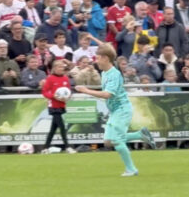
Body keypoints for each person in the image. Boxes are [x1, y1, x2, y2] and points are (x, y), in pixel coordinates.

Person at [76, 44, 156, 176]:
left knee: (117, 141)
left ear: (105, 58)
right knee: (108, 141)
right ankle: (140, 135)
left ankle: (131, 169)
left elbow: (107, 94)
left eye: (98, 58)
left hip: (122, 110)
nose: (96, 61)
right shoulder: (104, 73)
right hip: (115, 111)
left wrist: (86, 91)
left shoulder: (114, 74)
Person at [40, 60, 76, 154]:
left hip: (61, 105)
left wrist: (67, 97)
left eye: (62, 67)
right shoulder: (50, 78)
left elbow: (68, 90)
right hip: (53, 106)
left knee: (53, 128)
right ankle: (68, 147)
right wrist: (53, 96)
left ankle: (45, 148)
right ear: (54, 68)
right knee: (62, 126)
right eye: (59, 67)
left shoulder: (65, 78)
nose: (61, 68)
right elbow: (44, 92)